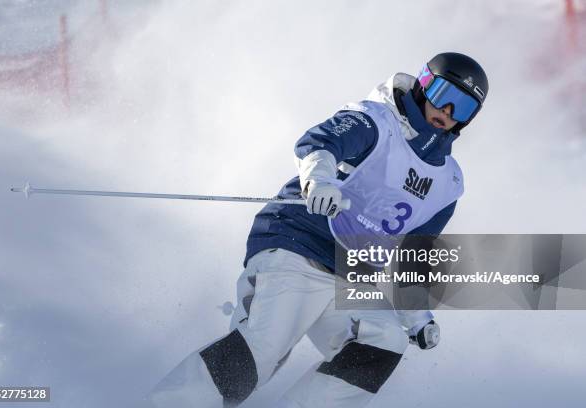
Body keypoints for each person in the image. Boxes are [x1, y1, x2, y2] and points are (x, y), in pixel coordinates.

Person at [146, 52, 489, 408]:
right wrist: (318, 182)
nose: (447, 112)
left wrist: (415, 315)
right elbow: (319, 144)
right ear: (423, 84)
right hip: (300, 245)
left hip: (350, 276)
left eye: (463, 108)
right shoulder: (377, 119)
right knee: (265, 348)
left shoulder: (447, 183)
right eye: (443, 95)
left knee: (384, 341)